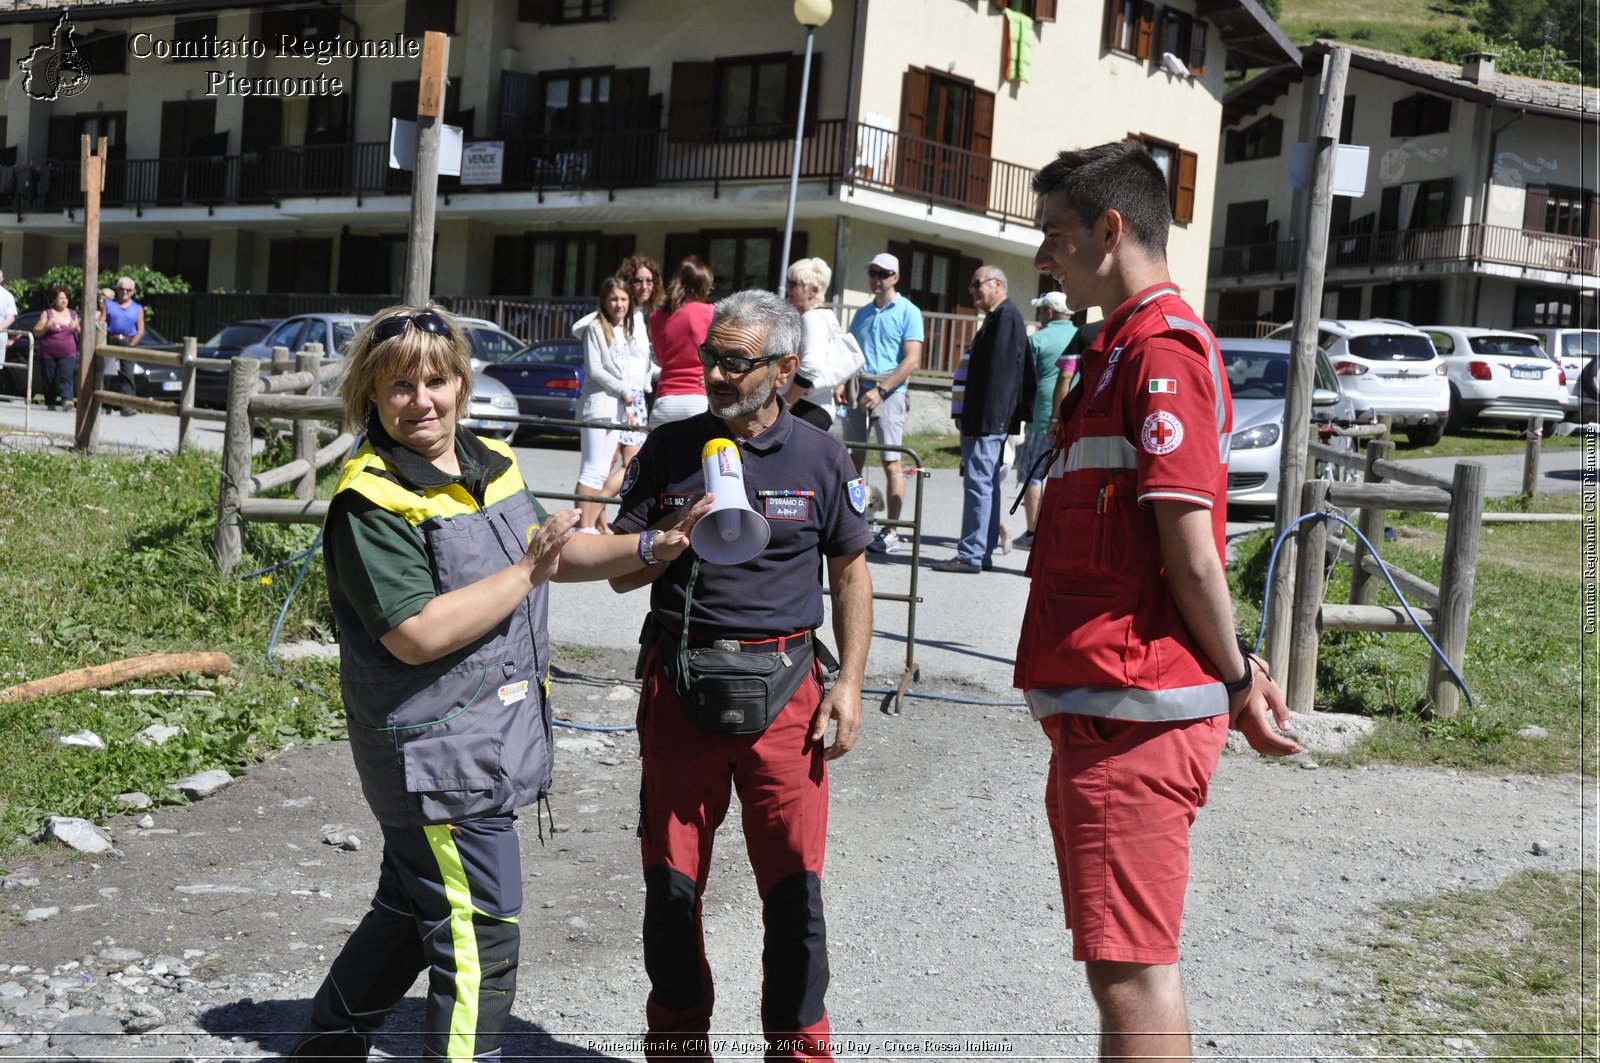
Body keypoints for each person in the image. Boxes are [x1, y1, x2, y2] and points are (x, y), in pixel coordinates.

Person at [293, 304, 708, 1063]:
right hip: (434, 754)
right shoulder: (370, 499)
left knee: (408, 907)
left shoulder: (489, 461)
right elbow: (414, 633)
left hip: (483, 742)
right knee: (480, 937)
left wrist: (650, 544)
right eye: (400, 387)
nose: (422, 399)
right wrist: (526, 572)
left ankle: (325, 1046)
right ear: (370, 396)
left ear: (461, 382)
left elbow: (555, 551)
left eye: (437, 380)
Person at [1017, 142, 1302, 1063]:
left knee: (1133, 969)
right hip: (1108, 708)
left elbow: (1192, 553)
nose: (1041, 256)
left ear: (1112, 228)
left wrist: (1239, 673)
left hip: (1133, 716)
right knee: (1123, 966)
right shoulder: (1114, 349)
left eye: (1055, 234)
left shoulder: (1159, 352)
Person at [608, 289, 873, 1062]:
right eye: (709, 360)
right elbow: (622, 573)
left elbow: (852, 575)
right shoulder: (669, 448)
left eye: (736, 361)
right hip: (682, 684)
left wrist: (850, 682)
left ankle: (797, 1050)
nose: (717, 375)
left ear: (786, 368)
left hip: (790, 691)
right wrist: (667, 538)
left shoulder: (823, 456)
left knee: (794, 894)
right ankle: (679, 1046)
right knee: (670, 889)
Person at [932, 265, 1027, 574]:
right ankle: (980, 551)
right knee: (986, 486)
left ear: (998, 284)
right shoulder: (999, 317)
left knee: (979, 486)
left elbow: (999, 379)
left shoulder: (1006, 317)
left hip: (986, 422)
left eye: (977, 284)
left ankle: (971, 554)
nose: (972, 291)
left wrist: (985, 421)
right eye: (971, 285)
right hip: (985, 421)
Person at [845, 252, 923, 554]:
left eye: (882, 273)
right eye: (873, 272)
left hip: (889, 393)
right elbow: (850, 354)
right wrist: (842, 383)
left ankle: (893, 530)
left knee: (892, 462)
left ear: (895, 277)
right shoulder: (862, 313)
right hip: (857, 391)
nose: (876, 278)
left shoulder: (908, 311)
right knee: (853, 461)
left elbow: (912, 360)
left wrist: (882, 390)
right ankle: (853, 523)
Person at [574, 277, 651, 530]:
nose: (619, 304)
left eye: (624, 299)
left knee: (600, 472)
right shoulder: (595, 326)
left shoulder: (622, 330)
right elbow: (595, 370)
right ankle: (583, 527)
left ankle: (589, 526)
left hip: (617, 407)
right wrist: (624, 390)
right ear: (605, 301)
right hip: (598, 406)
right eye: (614, 299)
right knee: (592, 469)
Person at [1014, 291, 1076, 549]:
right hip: (1072, 417)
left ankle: (1033, 533)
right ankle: (1058, 534)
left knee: (1033, 473)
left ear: (1049, 313)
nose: (1039, 316)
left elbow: (1022, 379)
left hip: (1042, 418)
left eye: (1040, 311)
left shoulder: (1037, 339)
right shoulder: (1081, 336)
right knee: (1064, 476)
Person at [647, 256, 715, 427]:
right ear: (703, 286)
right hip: (698, 400)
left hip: (664, 402)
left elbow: (661, 358)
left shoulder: (656, 317)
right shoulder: (710, 312)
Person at [784, 256, 845, 431]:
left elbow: (811, 365)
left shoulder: (813, 318)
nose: (788, 289)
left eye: (793, 284)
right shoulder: (825, 315)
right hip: (815, 407)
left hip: (806, 408)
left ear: (813, 291)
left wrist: (787, 402)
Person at [32, 285, 80, 411]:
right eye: (61, 298)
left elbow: (82, 332)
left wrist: (77, 327)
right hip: (49, 352)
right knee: (49, 378)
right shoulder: (47, 314)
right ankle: (50, 401)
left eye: (66, 298)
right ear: (54, 299)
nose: (64, 301)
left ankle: (67, 400)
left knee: (66, 376)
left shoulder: (73, 314)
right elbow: (36, 331)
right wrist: (47, 326)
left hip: (68, 352)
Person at [102, 276, 144, 415]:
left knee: (127, 375)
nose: (125, 292)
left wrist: (132, 345)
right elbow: (101, 324)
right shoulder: (108, 305)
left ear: (133, 292)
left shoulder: (137, 308)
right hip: (111, 340)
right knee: (107, 374)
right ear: (117, 290)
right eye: (122, 289)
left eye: (128, 290)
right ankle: (104, 404)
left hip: (128, 341)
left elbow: (141, 330)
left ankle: (127, 405)